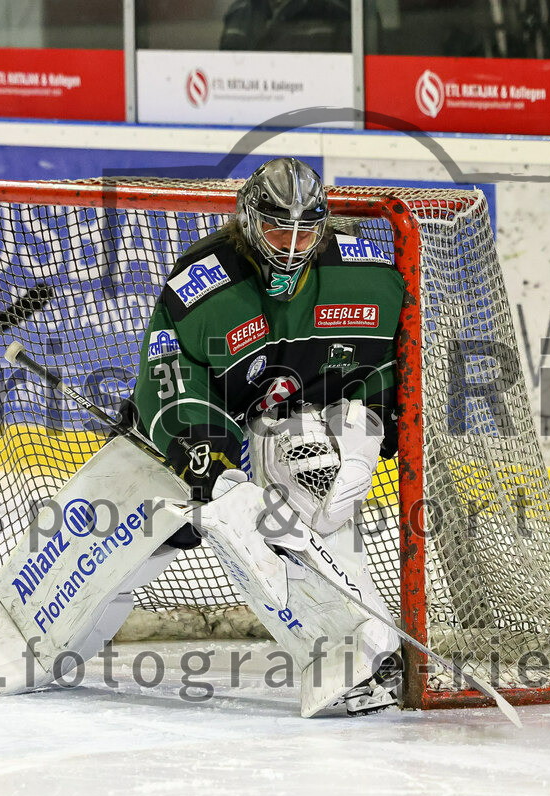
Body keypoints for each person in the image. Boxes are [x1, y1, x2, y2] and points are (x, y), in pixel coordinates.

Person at [131, 158, 406, 716]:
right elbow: (167, 377)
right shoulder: (205, 284)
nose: (293, 244)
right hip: (215, 425)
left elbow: (384, 361)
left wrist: (370, 424)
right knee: (143, 522)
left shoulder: (363, 277)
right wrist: (200, 454)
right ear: (250, 221)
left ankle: (361, 652)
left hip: (296, 420)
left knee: (313, 485)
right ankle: (52, 615)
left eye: (307, 230)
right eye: (280, 228)